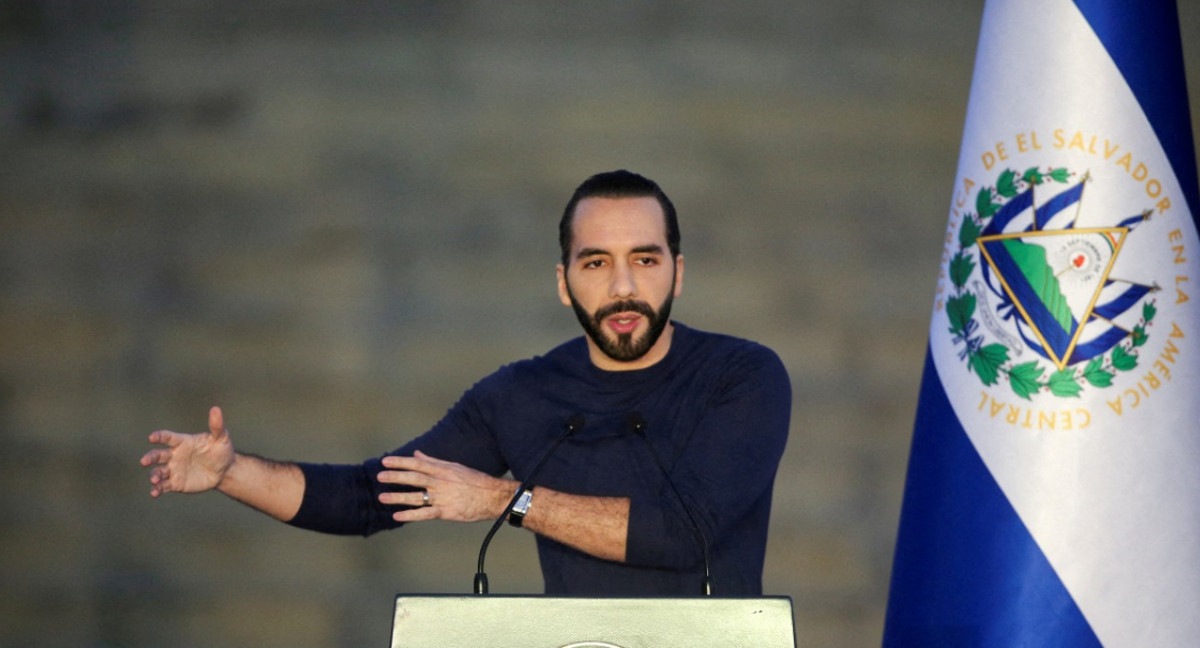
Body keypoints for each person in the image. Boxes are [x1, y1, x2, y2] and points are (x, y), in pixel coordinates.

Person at [140, 170, 791, 596]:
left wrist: (505, 500)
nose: (623, 286)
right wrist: (232, 473)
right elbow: (371, 498)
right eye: (596, 262)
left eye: (644, 260)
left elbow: (682, 533)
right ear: (564, 283)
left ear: (677, 273)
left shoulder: (742, 377)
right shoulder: (522, 395)